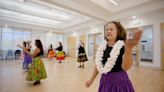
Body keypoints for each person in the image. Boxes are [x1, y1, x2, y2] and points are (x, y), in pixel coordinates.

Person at [86, 21, 142, 92]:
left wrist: (128, 49)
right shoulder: (102, 48)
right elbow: (98, 65)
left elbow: (126, 67)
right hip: (105, 81)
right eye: (107, 29)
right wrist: (91, 79)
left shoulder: (122, 46)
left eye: (111, 29)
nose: (108, 31)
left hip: (119, 82)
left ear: (118, 32)